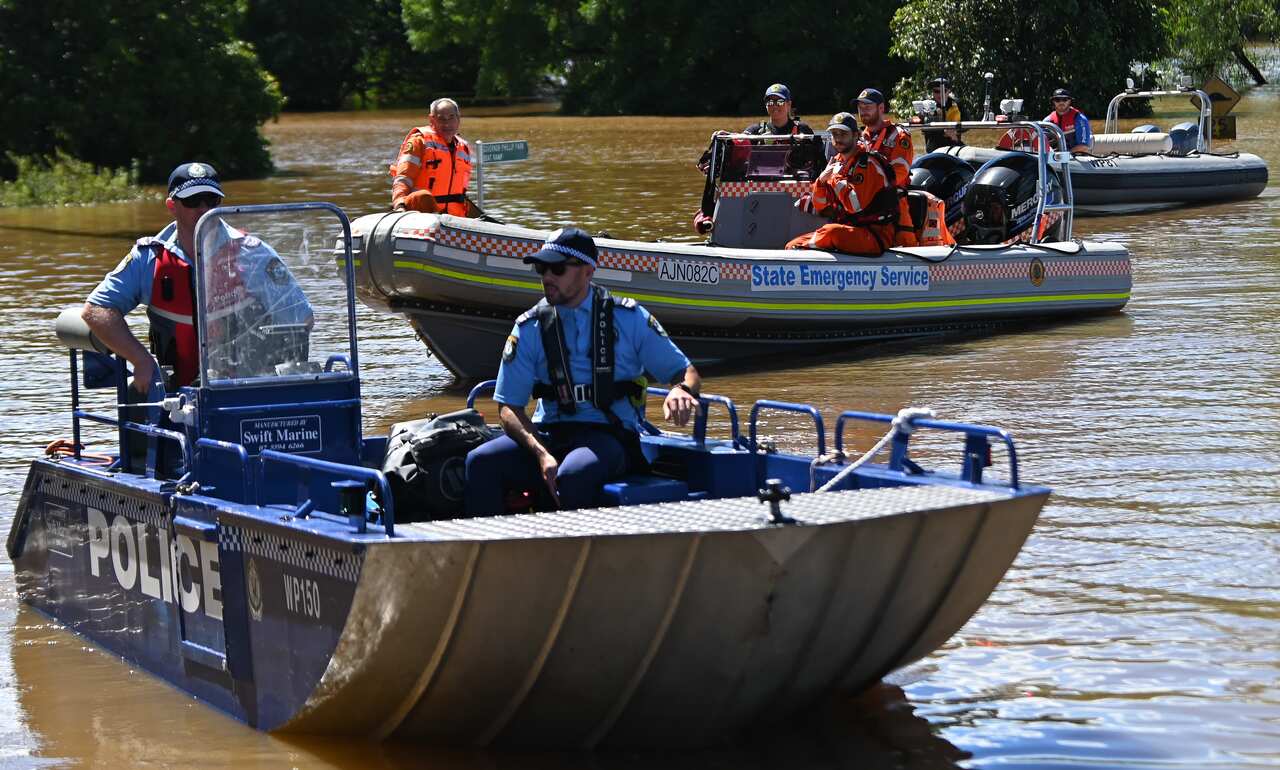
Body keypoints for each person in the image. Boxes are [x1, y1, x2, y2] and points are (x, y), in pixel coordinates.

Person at [464, 227, 702, 515]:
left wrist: (682, 390)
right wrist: (541, 454)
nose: (547, 277)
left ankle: (573, 556)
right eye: (541, 268)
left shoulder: (629, 318)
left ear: (587, 271)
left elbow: (685, 371)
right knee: (479, 461)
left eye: (557, 268)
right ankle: (489, 554)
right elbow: (508, 408)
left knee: (573, 475)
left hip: (609, 438)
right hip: (549, 434)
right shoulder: (529, 327)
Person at [82, 162, 313, 395]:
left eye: (211, 201)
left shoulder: (252, 252)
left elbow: (302, 318)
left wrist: (263, 364)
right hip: (176, 398)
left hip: (245, 392)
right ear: (172, 206)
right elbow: (96, 310)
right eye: (193, 202)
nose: (203, 209)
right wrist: (140, 360)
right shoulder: (149, 257)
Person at [693, 83, 827, 235]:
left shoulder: (803, 130)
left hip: (795, 184)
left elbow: (816, 160)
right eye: (770, 101)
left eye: (780, 101)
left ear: (789, 104)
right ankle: (709, 215)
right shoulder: (756, 130)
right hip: (761, 184)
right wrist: (729, 136)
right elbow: (742, 140)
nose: (774, 106)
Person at [784, 113, 905, 254]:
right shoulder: (837, 162)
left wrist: (836, 178)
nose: (838, 138)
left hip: (875, 235)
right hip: (850, 230)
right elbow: (821, 206)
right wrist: (821, 182)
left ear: (855, 135)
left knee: (831, 232)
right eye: (834, 134)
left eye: (843, 134)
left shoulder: (867, 164)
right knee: (792, 245)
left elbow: (855, 206)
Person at [389, 97, 474, 216]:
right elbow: (403, 178)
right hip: (422, 214)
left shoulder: (464, 148)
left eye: (451, 118)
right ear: (432, 119)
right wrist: (399, 205)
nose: (447, 124)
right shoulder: (419, 142)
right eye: (441, 119)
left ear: (458, 119)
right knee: (423, 196)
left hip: (454, 220)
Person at [854, 87, 914, 187]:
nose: (863, 111)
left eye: (867, 107)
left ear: (881, 108)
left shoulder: (898, 135)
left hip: (892, 198)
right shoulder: (857, 137)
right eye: (860, 107)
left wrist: (870, 186)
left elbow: (900, 171)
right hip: (862, 195)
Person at [922, 77, 965, 152]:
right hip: (934, 147)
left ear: (949, 91)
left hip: (954, 144)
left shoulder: (957, 104)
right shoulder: (927, 105)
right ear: (932, 92)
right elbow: (924, 128)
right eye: (936, 91)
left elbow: (968, 123)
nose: (940, 94)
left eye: (943, 91)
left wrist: (956, 131)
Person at [1044, 88, 1092, 153]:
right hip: (1053, 158)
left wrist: (1065, 156)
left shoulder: (1081, 120)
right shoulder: (1047, 121)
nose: (1061, 102)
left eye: (1064, 99)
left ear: (1069, 101)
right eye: (1057, 100)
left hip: (1077, 158)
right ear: (1053, 102)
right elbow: (1040, 143)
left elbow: (1084, 147)